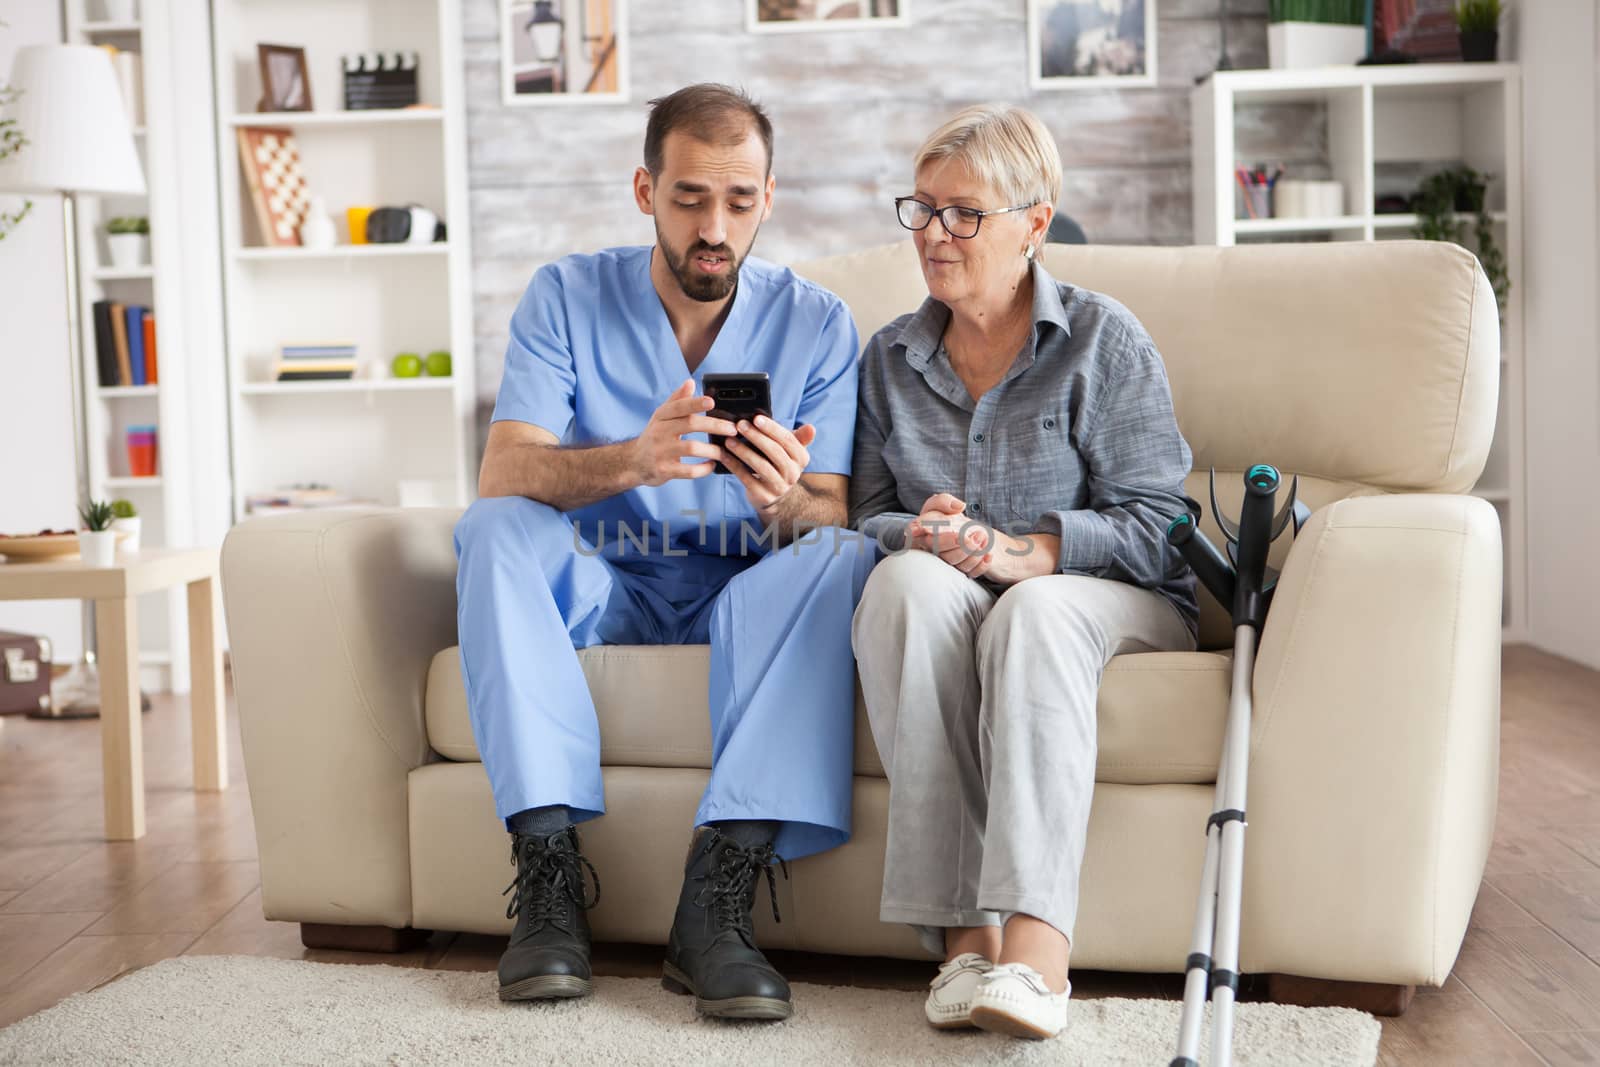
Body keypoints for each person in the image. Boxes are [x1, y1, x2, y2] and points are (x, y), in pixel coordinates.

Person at [454, 83, 872, 1022]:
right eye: (688, 198)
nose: (711, 227)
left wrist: (781, 498)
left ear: (769, 199)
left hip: (742, 590)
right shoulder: (566, 295)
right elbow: (505, 468)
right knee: (493, 525)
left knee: (840, 555)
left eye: (737, 200)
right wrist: (634, 459)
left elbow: (830, 511)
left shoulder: (819, 324)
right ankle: (550, 878)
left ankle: (715, 904)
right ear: (645, 191)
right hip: (607, 584)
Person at [849, 103, 1198, 1040]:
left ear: (1034, 223)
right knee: (901, 588)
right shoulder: (887, 359)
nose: (933, 234)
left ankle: (1037, 954)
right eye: (920, 210)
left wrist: (1030, 552)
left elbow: (1163, 526)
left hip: (1109, 602)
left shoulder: (1101, 339)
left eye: (963, 213)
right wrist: (914, 532)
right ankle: (965, 947)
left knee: (1029, 613)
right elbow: (864, 514)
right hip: (962, 591)